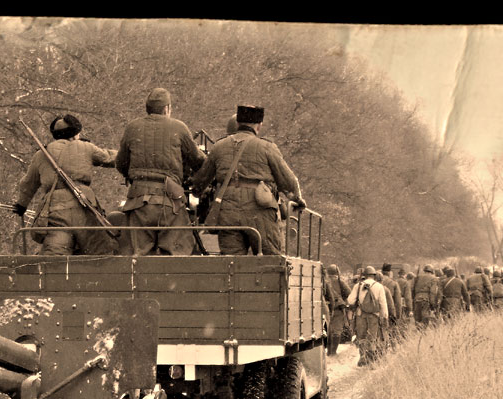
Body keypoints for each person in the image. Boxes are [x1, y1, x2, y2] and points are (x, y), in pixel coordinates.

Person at [191, 105, 306, 255]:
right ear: (259, 126)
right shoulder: (267, 147)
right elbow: (288, 181)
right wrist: (298, 200)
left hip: (228, 213)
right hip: (259, 213)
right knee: (270, 260)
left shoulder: (219, 147)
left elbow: (200, 182)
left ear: (237, 124)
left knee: (231, 263)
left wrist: (197, 192)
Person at [115, 87, 206, 255]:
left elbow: (121, 163)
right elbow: (198, 161)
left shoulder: (132, 127)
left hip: (138, 200)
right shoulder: (179, 127)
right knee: (175, 256)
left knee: (136, 257)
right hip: (170, 200)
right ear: (167, 109)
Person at [14, 114, 118, 255]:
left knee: (55, 258)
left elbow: (28, 183)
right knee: (100, 254)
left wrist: (21, 205)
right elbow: (110, 158)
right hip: (84, 208)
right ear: (74, 134)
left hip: (55, 210)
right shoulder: (86, 147)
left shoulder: (41, 154)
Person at [347, 266, 389, 366]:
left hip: (360, 314)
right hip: (374, 316)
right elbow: (383, 303)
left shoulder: (358, 285)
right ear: (374, 275)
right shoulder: (379, 286)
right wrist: (385, 317)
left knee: (361, 336)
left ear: (365, 275)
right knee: (372, 337)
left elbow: (350, 301)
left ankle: (362, 357)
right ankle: (371, 359)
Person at [324, 264, 351, 356]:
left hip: (326, 308)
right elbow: (348, 293)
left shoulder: (324, 281)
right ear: (337, 272)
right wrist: (342, 300)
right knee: (337, 331)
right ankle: (333, 352)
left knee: (328, 330)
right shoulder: (340, 282)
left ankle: (328, 351)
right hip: (338, 309)